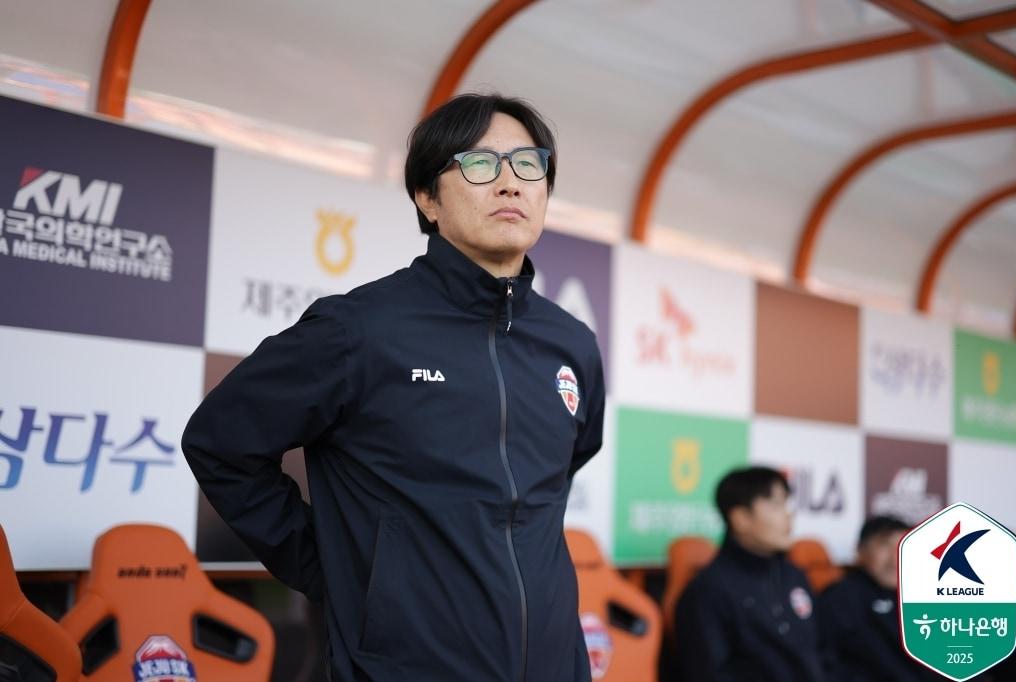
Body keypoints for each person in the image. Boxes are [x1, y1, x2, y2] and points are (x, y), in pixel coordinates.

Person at [181, 93, 606, 682]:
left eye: (528, 164)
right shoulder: (359, 329)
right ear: (427, 198)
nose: (510, 184)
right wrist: (338, 568)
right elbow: (219, 443)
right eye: (481, 164)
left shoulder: (572, 344)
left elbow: (559, 471)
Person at [673, 466, 826, 681]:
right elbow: (710, 674)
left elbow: (825, 653)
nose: (788, 515)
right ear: (741, 518)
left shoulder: (794, 576)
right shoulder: (707, 591)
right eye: (776, 505)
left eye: (786, 503)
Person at [819, 515, 948, 681]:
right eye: (884, 545)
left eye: (903, 546)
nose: (895, 558)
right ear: (860, 550)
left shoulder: (927, 596)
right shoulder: (841, 598)